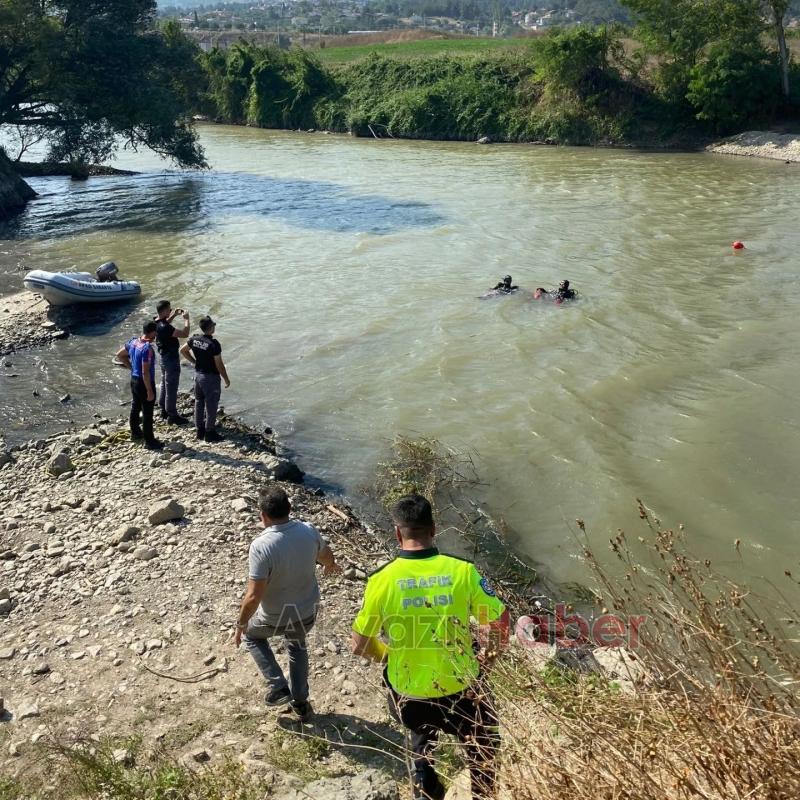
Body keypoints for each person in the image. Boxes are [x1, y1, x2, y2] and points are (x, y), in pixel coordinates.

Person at [351, 494, 509, 800]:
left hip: (411, 694)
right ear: (433, 529)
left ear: (397, 533)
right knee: (484, 753)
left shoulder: (381, 580)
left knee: (421, 747)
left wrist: (387, 657)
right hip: (463, 689)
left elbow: (359, 643)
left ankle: (426, 786)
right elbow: (500, 621)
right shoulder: (462, 571)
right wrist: (487, 659)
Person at [234, 486, 341, 722]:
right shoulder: (308, 530)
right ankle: (301, 703)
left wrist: (241, 624)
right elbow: (326, 556)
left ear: (262, 516)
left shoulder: (261, 546)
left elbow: (253, 596)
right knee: (296, 646)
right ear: (290, 509)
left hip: (274, 616)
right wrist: (330, 566)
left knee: (252, 637)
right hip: (306, 611)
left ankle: (278, 686)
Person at [180, 316, 230, 442]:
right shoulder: (214, 344)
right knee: (211, 404)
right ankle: (210, 432)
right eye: (213, 325)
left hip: (199, 376)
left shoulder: (194, 339)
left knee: (199, 401)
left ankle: (199, 430)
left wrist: (194, 362)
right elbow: (219, 364)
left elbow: (183, 350)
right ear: (211, 328)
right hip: (211, 378)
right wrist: (226, 379)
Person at [114, 321, 163, 450]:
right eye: (156, 332)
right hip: (144, 382)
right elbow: (145, 372)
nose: (157, 334)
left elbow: (120, 355)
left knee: (135, 406)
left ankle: (135, 433)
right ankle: (150, 441)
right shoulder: (147, 349)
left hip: (134, 380)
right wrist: (149, 391)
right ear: (152, 332)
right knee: (147, 412)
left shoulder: (134, 342)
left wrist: (131, 367)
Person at [154, 300, 190, 425]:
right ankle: (172, 415)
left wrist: (173, 315)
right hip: (171, 359)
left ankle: (163, 408)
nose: (170, 311)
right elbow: (185, 334)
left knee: (165, 382)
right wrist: (186, 319)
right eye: (169, 310)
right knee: (172, 387)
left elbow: (165, 323)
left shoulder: (156, 322)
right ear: (163, 311)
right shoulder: (166, 328)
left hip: (163, 357)